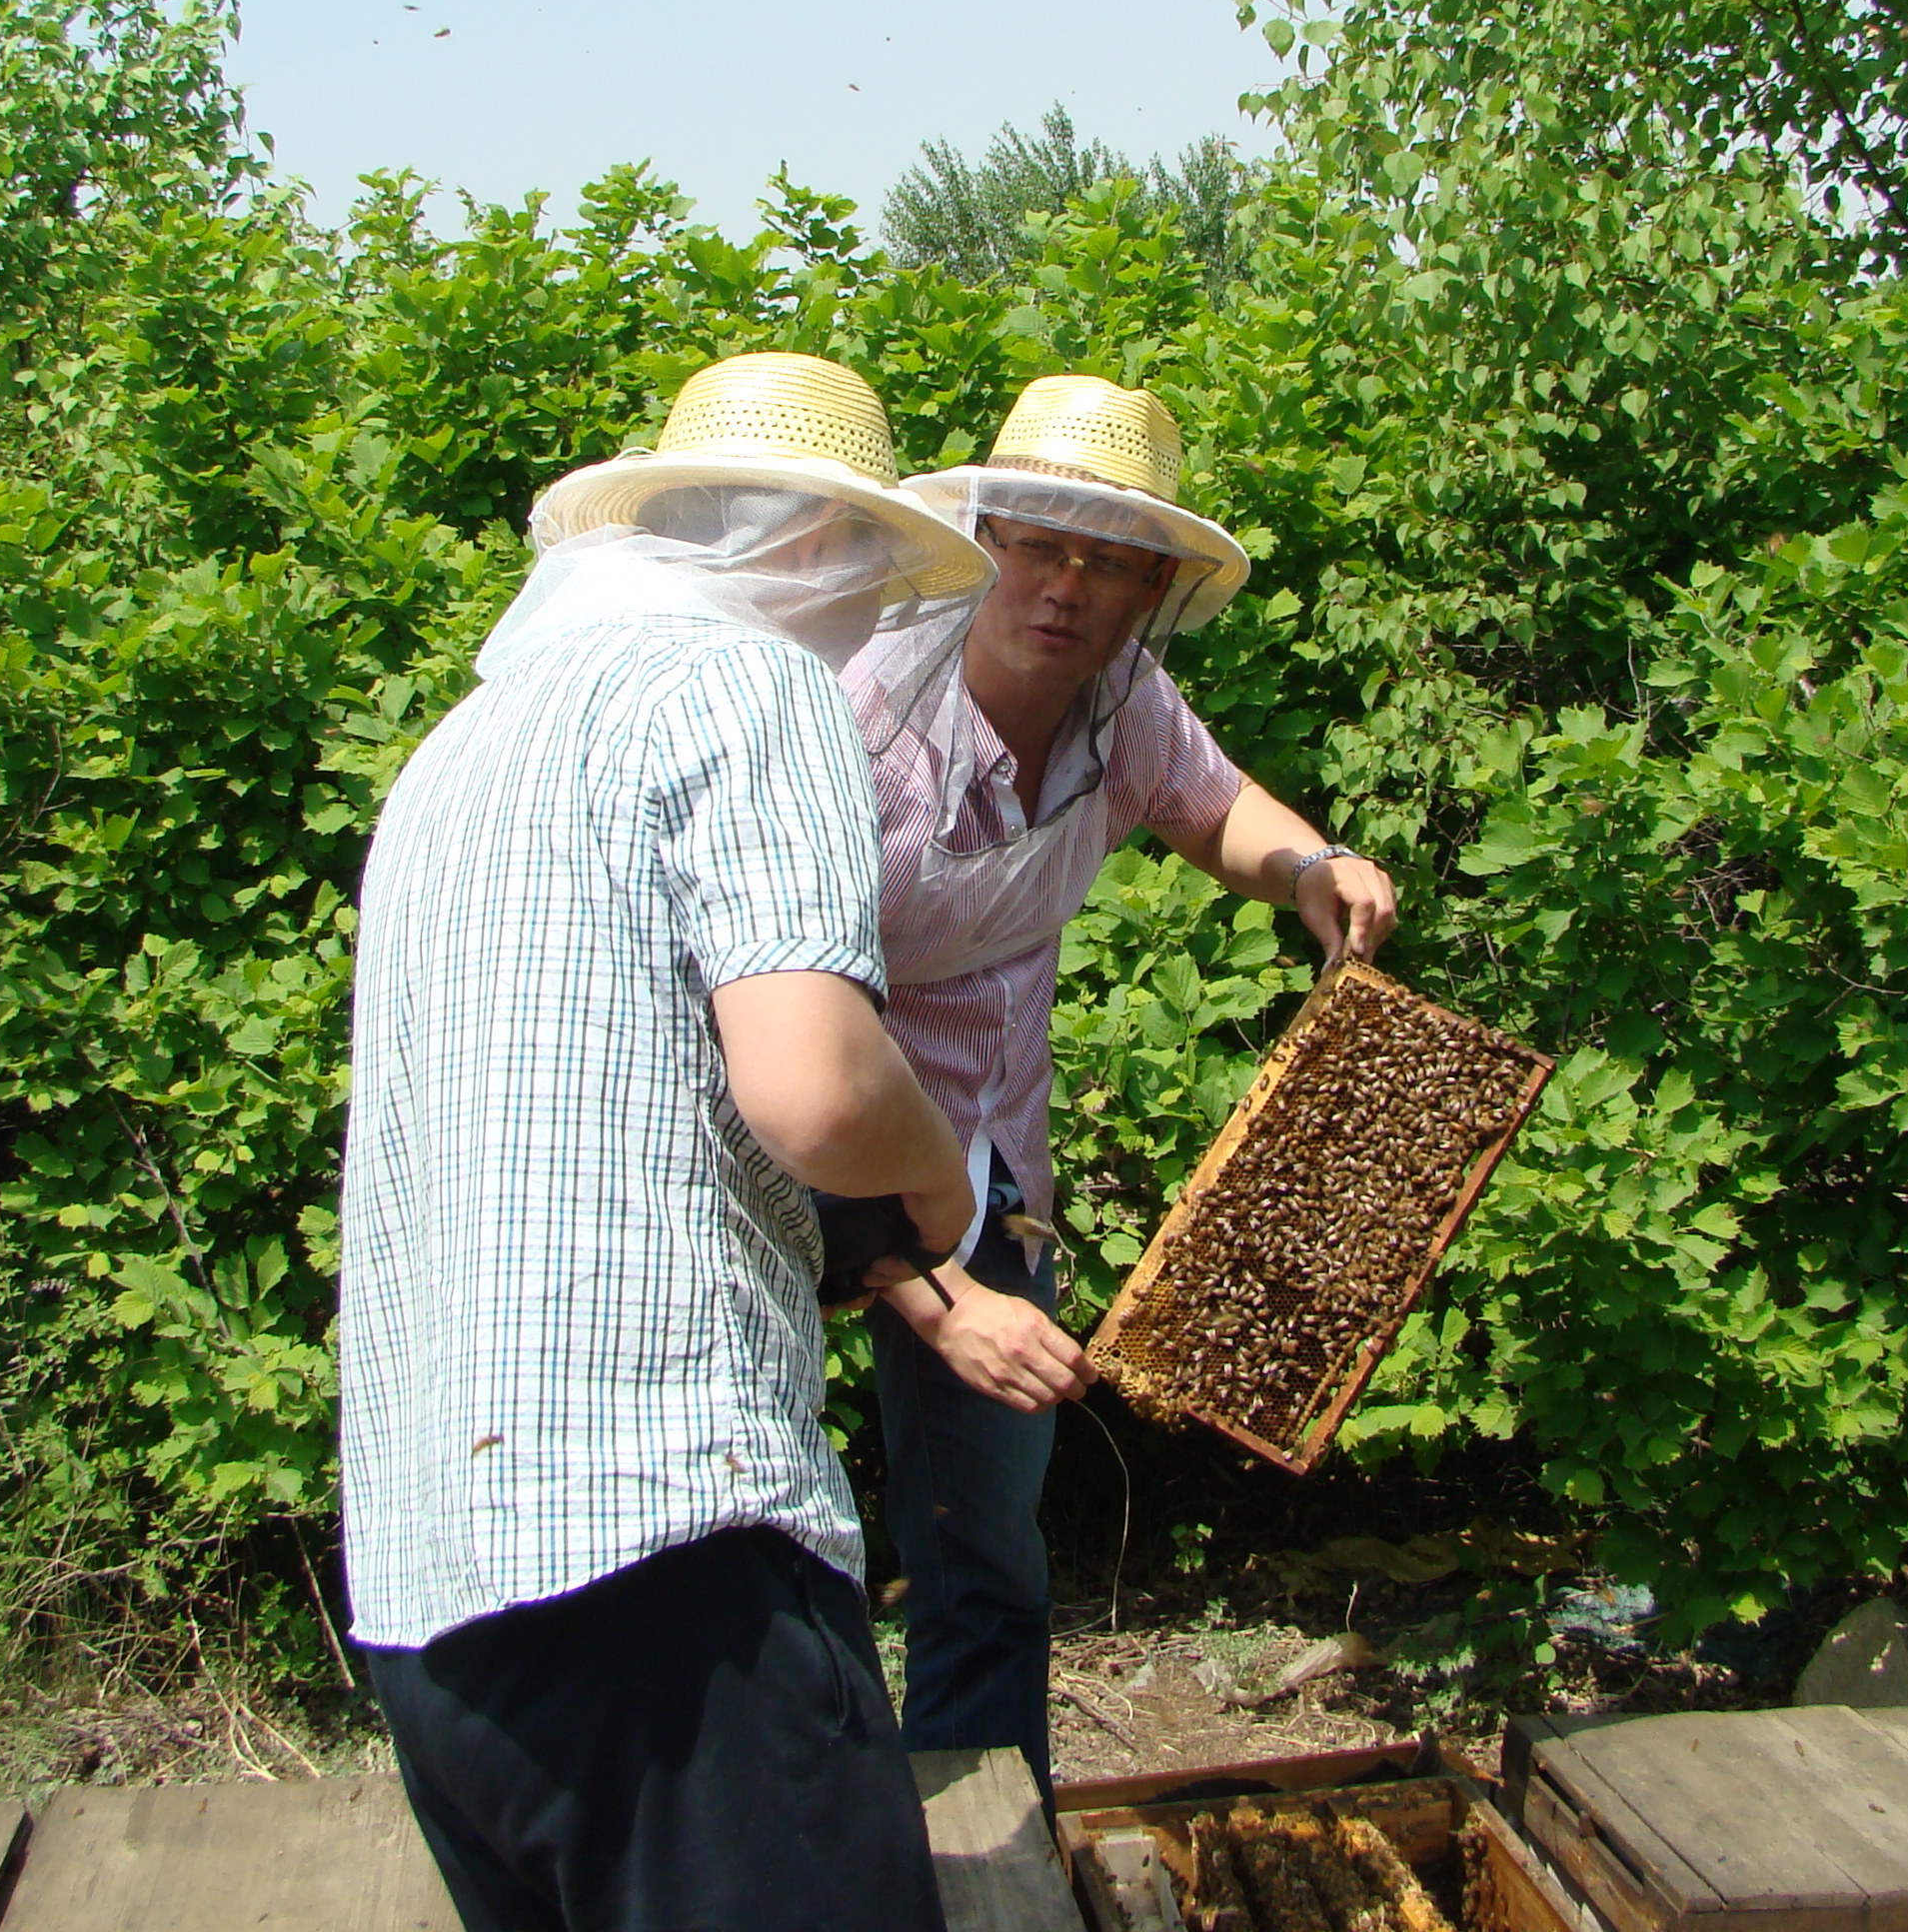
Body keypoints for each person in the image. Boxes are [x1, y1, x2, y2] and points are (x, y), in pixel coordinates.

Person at [339, 352, 998, 1932]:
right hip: (660, 1560)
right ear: (813, 550)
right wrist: (935, 1170)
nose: (870, 616)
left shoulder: (465, 745)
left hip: (437, 1604)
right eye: (866, 571)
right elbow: (819, 1088)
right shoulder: (743, 680)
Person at [842, 373, 1400, 1797]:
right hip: (800, 1153)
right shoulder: (856, 709)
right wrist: (915, 1284)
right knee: (765, 1548)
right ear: (986, 537)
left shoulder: (1125, 701)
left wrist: (1310, 867)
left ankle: (988, 1853)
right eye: (1043, 543)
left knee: (987, 1548)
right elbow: (767, 1032)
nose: (1068, 586)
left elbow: (1216, 808)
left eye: (1111, 561)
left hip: (984, 1163)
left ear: (1154, 587)